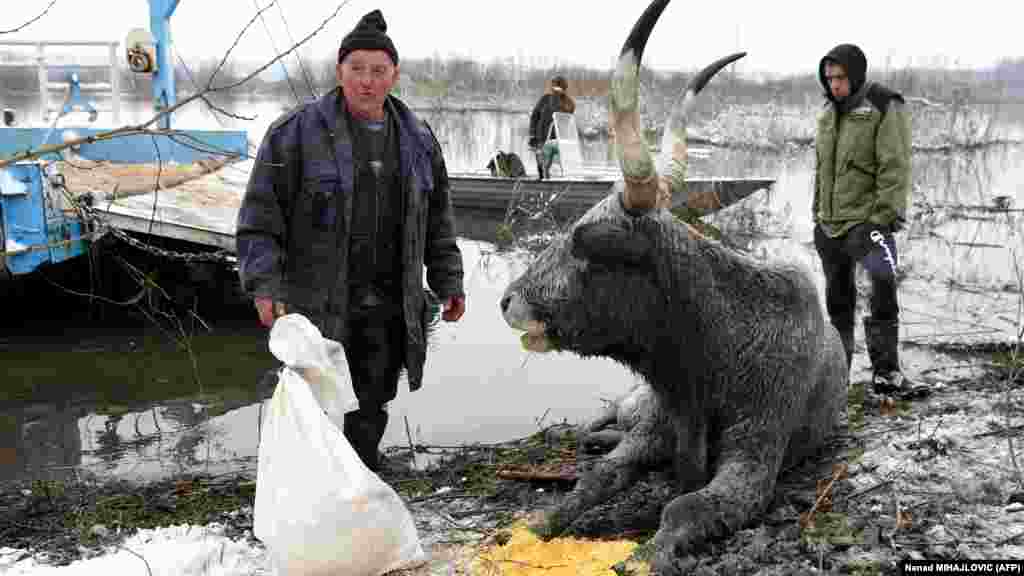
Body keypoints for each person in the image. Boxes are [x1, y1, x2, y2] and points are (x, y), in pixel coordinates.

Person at [235, 9, 466, 472]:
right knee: (314, 393)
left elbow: (438, 220)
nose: (367, 81)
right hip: (318, 297)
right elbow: (260, 219)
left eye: (378, 71)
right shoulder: (294, 133)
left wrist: (450, 282)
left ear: (394, 75)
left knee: (375, 393)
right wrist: (264, 285)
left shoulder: (419, 139)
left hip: (389, 298)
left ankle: (362, 470)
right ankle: (311, 480)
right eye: (356, 69)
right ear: (339, 71)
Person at [812, 43, 926, 398]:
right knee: (838, 301)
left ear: (856, 74)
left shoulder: (882, 103)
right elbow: (822, 169)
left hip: (868, 224)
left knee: (883, 288)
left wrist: (882, 218)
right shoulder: (828, 110)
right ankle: (837, 379)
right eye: (829, 78)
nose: (834, 85)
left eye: (840, 78)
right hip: (831, 225)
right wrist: (818, 214)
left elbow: (895, 166)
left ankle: (886, 373)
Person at [528, 75, 576, 179]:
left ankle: (552, 184)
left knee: (550, 166)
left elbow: (563, 113)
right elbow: (534, 116)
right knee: (541, 165)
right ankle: (541, 183)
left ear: (564, 88)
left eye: (558, 87)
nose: (555, 89)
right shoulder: (545, 99)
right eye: (554, 86)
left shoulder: (569, 103)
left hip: (556, 140)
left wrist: (556, 97)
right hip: (540, 137)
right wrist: (532, 135)